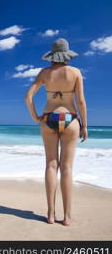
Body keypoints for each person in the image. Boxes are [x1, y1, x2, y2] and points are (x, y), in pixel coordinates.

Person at [25, 38, 87, 226]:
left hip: (49, 118)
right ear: (66, 55)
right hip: (70, 119)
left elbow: (28, 96)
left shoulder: (44, 73)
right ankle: (67, 217)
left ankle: (51, 214)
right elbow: (81, 102)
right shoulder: (75, 72)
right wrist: (84, 125)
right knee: (67, 167)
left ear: (52, 55)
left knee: (51, 165)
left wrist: (36, 117)